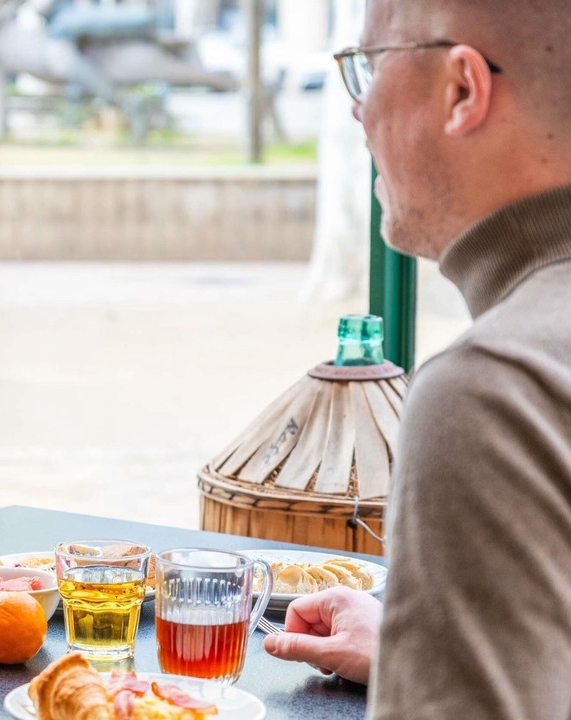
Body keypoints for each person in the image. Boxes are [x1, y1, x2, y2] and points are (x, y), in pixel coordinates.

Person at [263, 1, 571, 716]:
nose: (358, 112)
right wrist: (432, 655)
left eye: (369, 68)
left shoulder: (496, 391)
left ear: (462, 89)